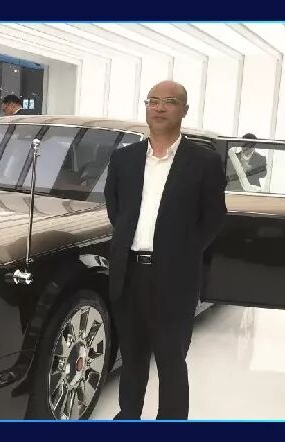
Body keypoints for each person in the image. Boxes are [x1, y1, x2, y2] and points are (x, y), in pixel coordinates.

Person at [104, 81, 227, 420]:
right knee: (132, 357)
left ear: (184, 110)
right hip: (129, 273)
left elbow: (213, 217)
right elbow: (116, 209)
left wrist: (183, 252)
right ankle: (128, 417)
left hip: (175, 277)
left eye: (169, 101)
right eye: (153, 101)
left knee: (172, 359)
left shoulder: (204, 162)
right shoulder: (124, 158)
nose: (159, 108)